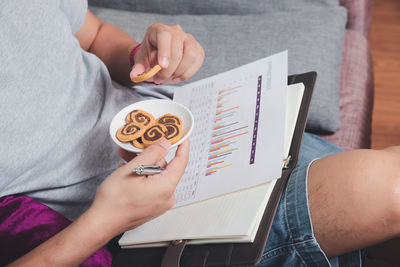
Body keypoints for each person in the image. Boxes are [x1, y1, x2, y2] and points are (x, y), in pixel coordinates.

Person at [1, 1, 399, 267]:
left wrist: (144, 56)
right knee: (386, 189)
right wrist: (106, 220)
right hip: (111, 222)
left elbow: (91, 34)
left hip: (185, 128)